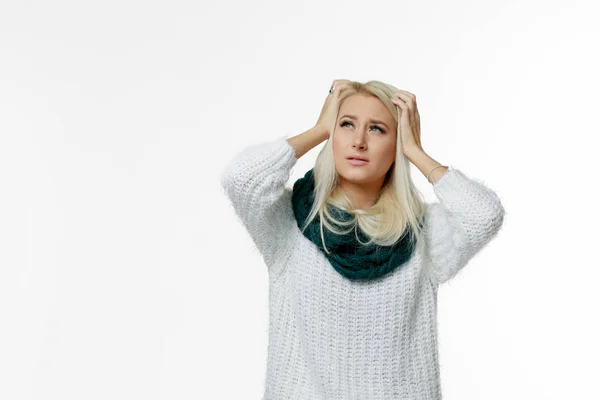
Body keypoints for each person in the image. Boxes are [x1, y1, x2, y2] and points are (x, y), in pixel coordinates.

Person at [220, 79, 505, 400]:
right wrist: (318, 130)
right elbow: (241, 179)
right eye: (346, 125)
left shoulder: (423, 233)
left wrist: (416, 152)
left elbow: (484, 215)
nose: (358, 141)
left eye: (376, 129)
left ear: (396, 144)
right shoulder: (287, 224)